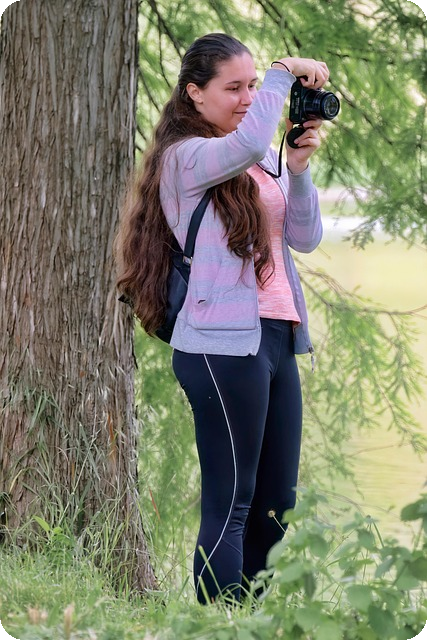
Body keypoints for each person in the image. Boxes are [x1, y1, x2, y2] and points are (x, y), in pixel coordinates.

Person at [116, 32, 329, 604]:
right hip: (219, 345)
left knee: (276, 503)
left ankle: (251, 622)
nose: (247, 97)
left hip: (277, 336)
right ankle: (217, 625)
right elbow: (251, 137)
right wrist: (282, 71)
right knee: (231, 501)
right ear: (195, 93)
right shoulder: (186, 157)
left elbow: (305, 237)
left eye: (253, 85)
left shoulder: (257, 159)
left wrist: (298, 169)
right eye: (233, 88)